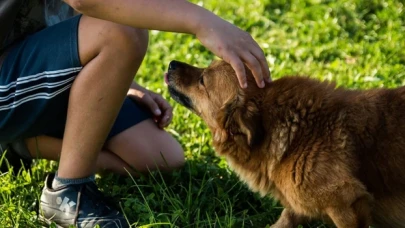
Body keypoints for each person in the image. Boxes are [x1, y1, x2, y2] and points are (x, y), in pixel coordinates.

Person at [0, 0, 271, 227]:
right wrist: (203, 22)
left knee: (160, 157)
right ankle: (68, 191)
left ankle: (19, 143)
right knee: (124, 31)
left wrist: (116, 78)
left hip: (33, 66)